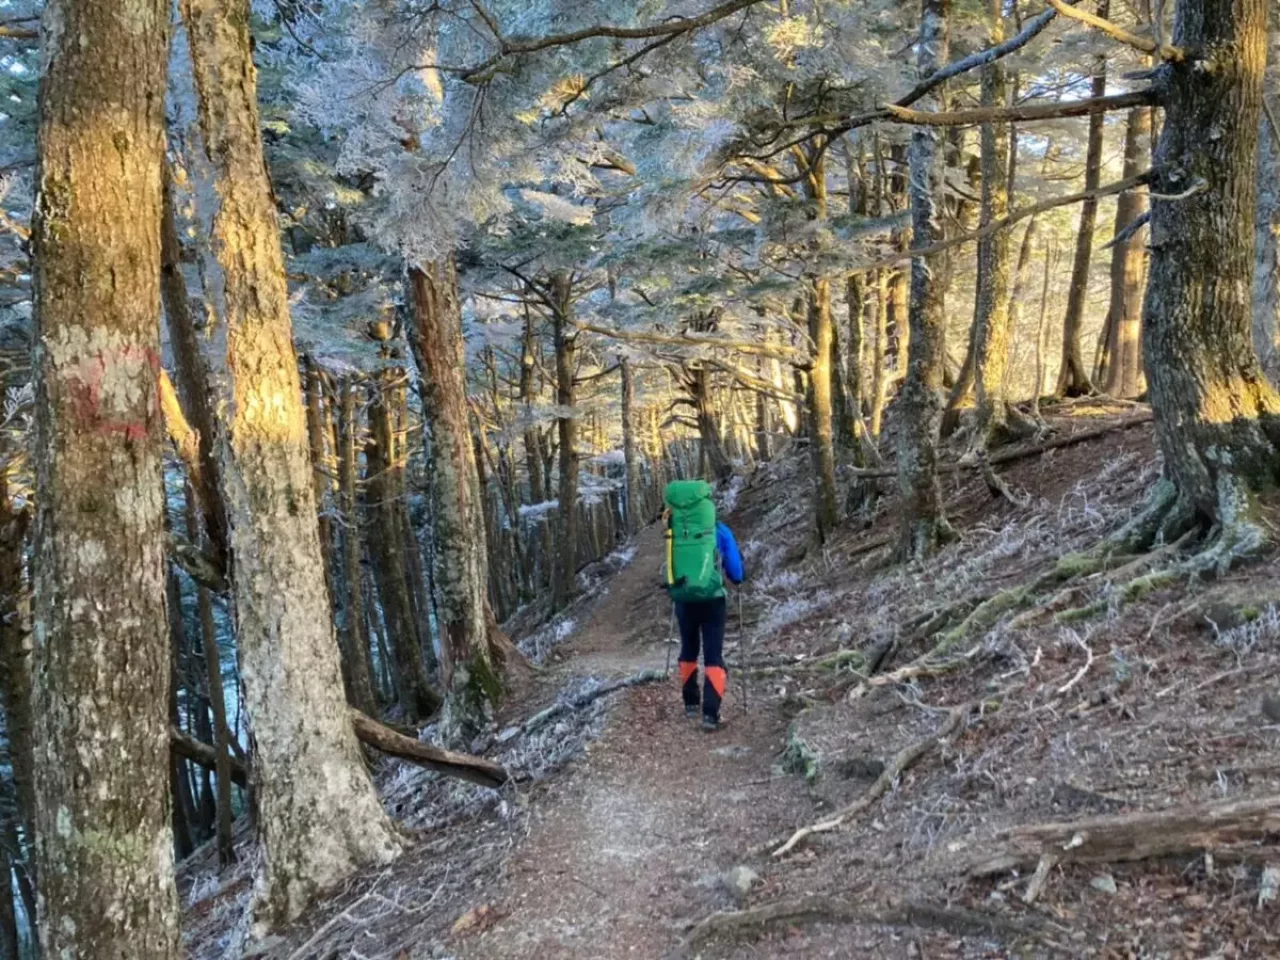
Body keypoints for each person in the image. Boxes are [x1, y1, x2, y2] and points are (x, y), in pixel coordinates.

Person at [663, 480, 745, 732]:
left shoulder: (673, 528)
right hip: (712, 600)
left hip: (683, 598)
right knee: (713, 653)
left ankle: (690, 703)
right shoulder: (717, 530)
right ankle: (710, 713)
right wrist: (737, 578)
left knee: (688, 648)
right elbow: (735, 568)